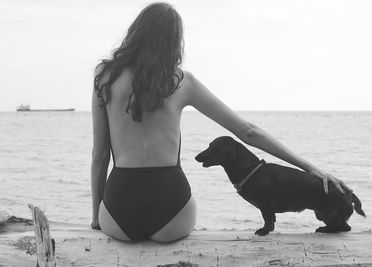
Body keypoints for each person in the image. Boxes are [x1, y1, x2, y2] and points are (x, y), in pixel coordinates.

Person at [91, 2, 345, 243]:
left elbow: (100, 155)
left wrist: (96, 218)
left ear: (136, 33)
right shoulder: (181, 82)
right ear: (174, 42)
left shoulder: (104, 78)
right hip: (171, 214)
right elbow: (248, 132)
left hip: (118, 215)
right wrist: (309, 168)